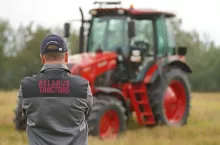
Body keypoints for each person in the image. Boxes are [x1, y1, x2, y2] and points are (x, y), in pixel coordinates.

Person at [14, 34, 93, 145]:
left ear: (42, 58)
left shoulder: (26, 87)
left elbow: (23, 115)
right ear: (66, 57)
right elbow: (87, 113)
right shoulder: (83, 86)